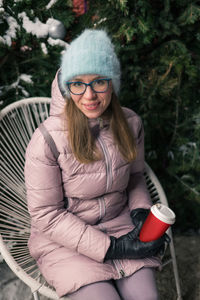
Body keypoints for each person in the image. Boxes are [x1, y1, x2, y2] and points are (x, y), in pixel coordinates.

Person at [25, 29, 169, 300]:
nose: (89, 95)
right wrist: (111, 248)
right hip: (65, 244)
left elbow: (136, 178)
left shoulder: (130, 123)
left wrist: (141, 215)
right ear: (67, 86)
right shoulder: (47, 139)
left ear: (112, 83)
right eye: (78, 83)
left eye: (99, 82)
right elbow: (46, 215)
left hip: (122, 226)